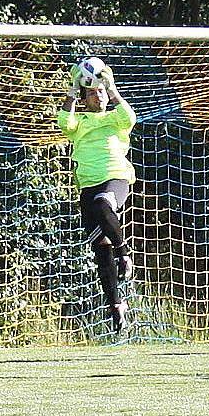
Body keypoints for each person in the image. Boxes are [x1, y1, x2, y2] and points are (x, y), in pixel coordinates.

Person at [57, 57, 136, 332]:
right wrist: (70, 90)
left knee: (104, 203)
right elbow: (63, 122)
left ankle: (125, 254)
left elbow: (130, 116)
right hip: (87, 185)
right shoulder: (79, 122)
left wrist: (111, 86)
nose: (98, 95)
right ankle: (116, 306)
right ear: (84, 97)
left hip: (115, 178)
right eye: (92, 92)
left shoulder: (116, 119)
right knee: (100, 249)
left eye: (100, 91)